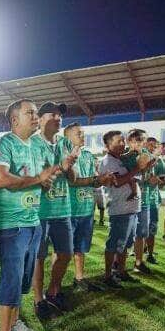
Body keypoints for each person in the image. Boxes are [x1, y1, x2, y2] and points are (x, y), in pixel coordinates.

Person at [0, 99, 59, 331]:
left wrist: (45, 182)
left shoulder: (36, 146)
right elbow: (0, 179)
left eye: (36, 113)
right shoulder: (3, 143)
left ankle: (16, 322)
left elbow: (38, 180)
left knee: (23, 281)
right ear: (14, 119)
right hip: (10, 224)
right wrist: (38, 180)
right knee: (11, 280)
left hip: (33, 222)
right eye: (30, 112)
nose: (36, 116)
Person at [30, 102, 79, 320]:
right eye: (53, 114)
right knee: (38, 258)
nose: (58, 118)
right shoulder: (30, 144)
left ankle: (53, 290)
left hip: (63, 209)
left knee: (66, 253)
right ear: (40, 119)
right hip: (39, 211)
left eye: (60, 115)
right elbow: (38, 180)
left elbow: (74, 178)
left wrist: (69, 168)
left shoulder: (64, 143)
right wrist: (61, 166)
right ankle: (38, 300)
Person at [99, 130, 150, 286]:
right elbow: (118, 182)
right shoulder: (108, 162)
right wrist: (137, 168)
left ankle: (121, 271)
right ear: (108, 145)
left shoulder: (121, 160)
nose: (123, 144)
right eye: (118, 141)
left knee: (126, 244)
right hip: (120, 209)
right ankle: (108, 275)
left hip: (131, 209)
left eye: (123, 141)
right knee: (114, 244)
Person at [66, 122, 106, 292]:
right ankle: (55, 286)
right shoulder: (65, 156)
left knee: (81, 248)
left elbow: (94, 179)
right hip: (69, 210)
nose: (82, 136)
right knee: (63, 251)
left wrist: (102, 179)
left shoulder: (88, 156)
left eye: (82, 133)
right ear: (67, 137)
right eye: (78, 134)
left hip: (87, 209)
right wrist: (95, 180)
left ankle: (79, 278)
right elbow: (71, 181)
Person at [122, 129, 154, 274]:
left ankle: (139, 262)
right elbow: (126, 178)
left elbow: (146, 178)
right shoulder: (124, 158)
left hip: (144, 200)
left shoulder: (147, 156)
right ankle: (118, 263)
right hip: (127, 200)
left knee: (141, 233)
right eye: (133, 141)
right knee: (125, 234)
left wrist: (150, 176)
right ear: (128, 142)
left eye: (139, 141)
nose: (136, 144)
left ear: (144, 142)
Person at [143, 137, 165, 264]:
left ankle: (150, 254)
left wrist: (158, 181)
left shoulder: (159, 162)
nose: (152, 147)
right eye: (149, 144)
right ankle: (137, 253)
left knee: (152, 229)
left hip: (152, 200)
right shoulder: (139, 158)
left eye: (154, 145)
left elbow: (163, 183)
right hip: (138, 200)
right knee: (138, 229)